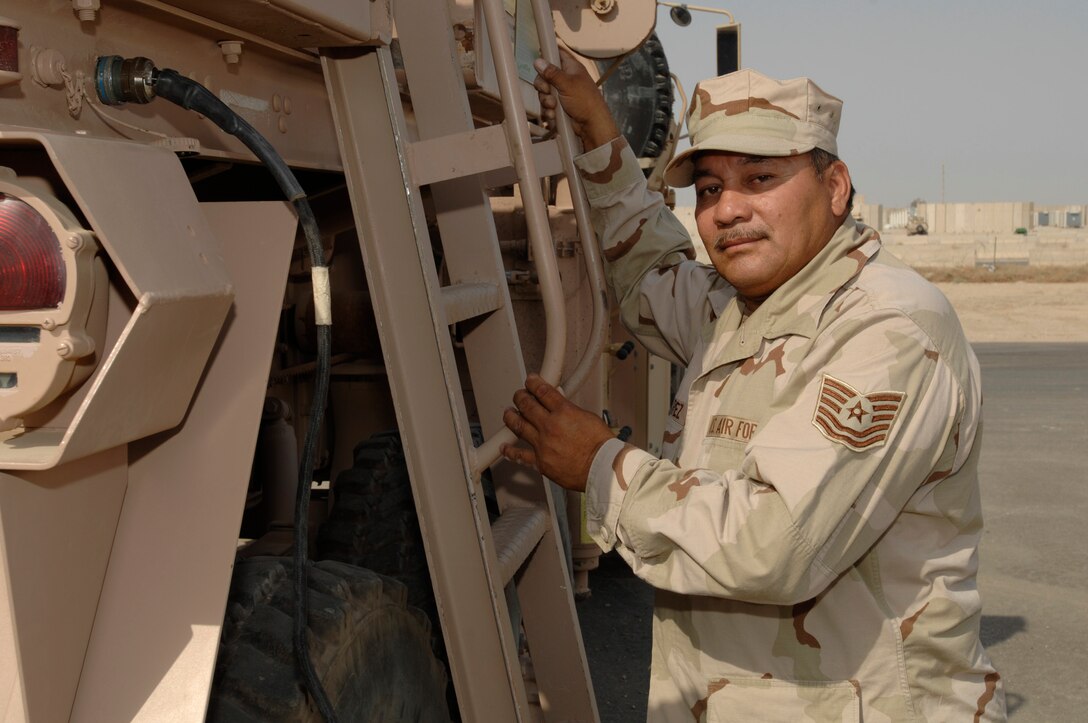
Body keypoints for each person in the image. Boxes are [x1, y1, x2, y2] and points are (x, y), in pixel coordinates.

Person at [501, 54, 1006, 722]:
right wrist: (600, 133)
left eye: (760, 178)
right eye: (709, 189)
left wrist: (602, 467)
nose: (728, 209)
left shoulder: (889, 328)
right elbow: (649, 267)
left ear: (835, 187)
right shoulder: (741, 304)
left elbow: (776, 543)